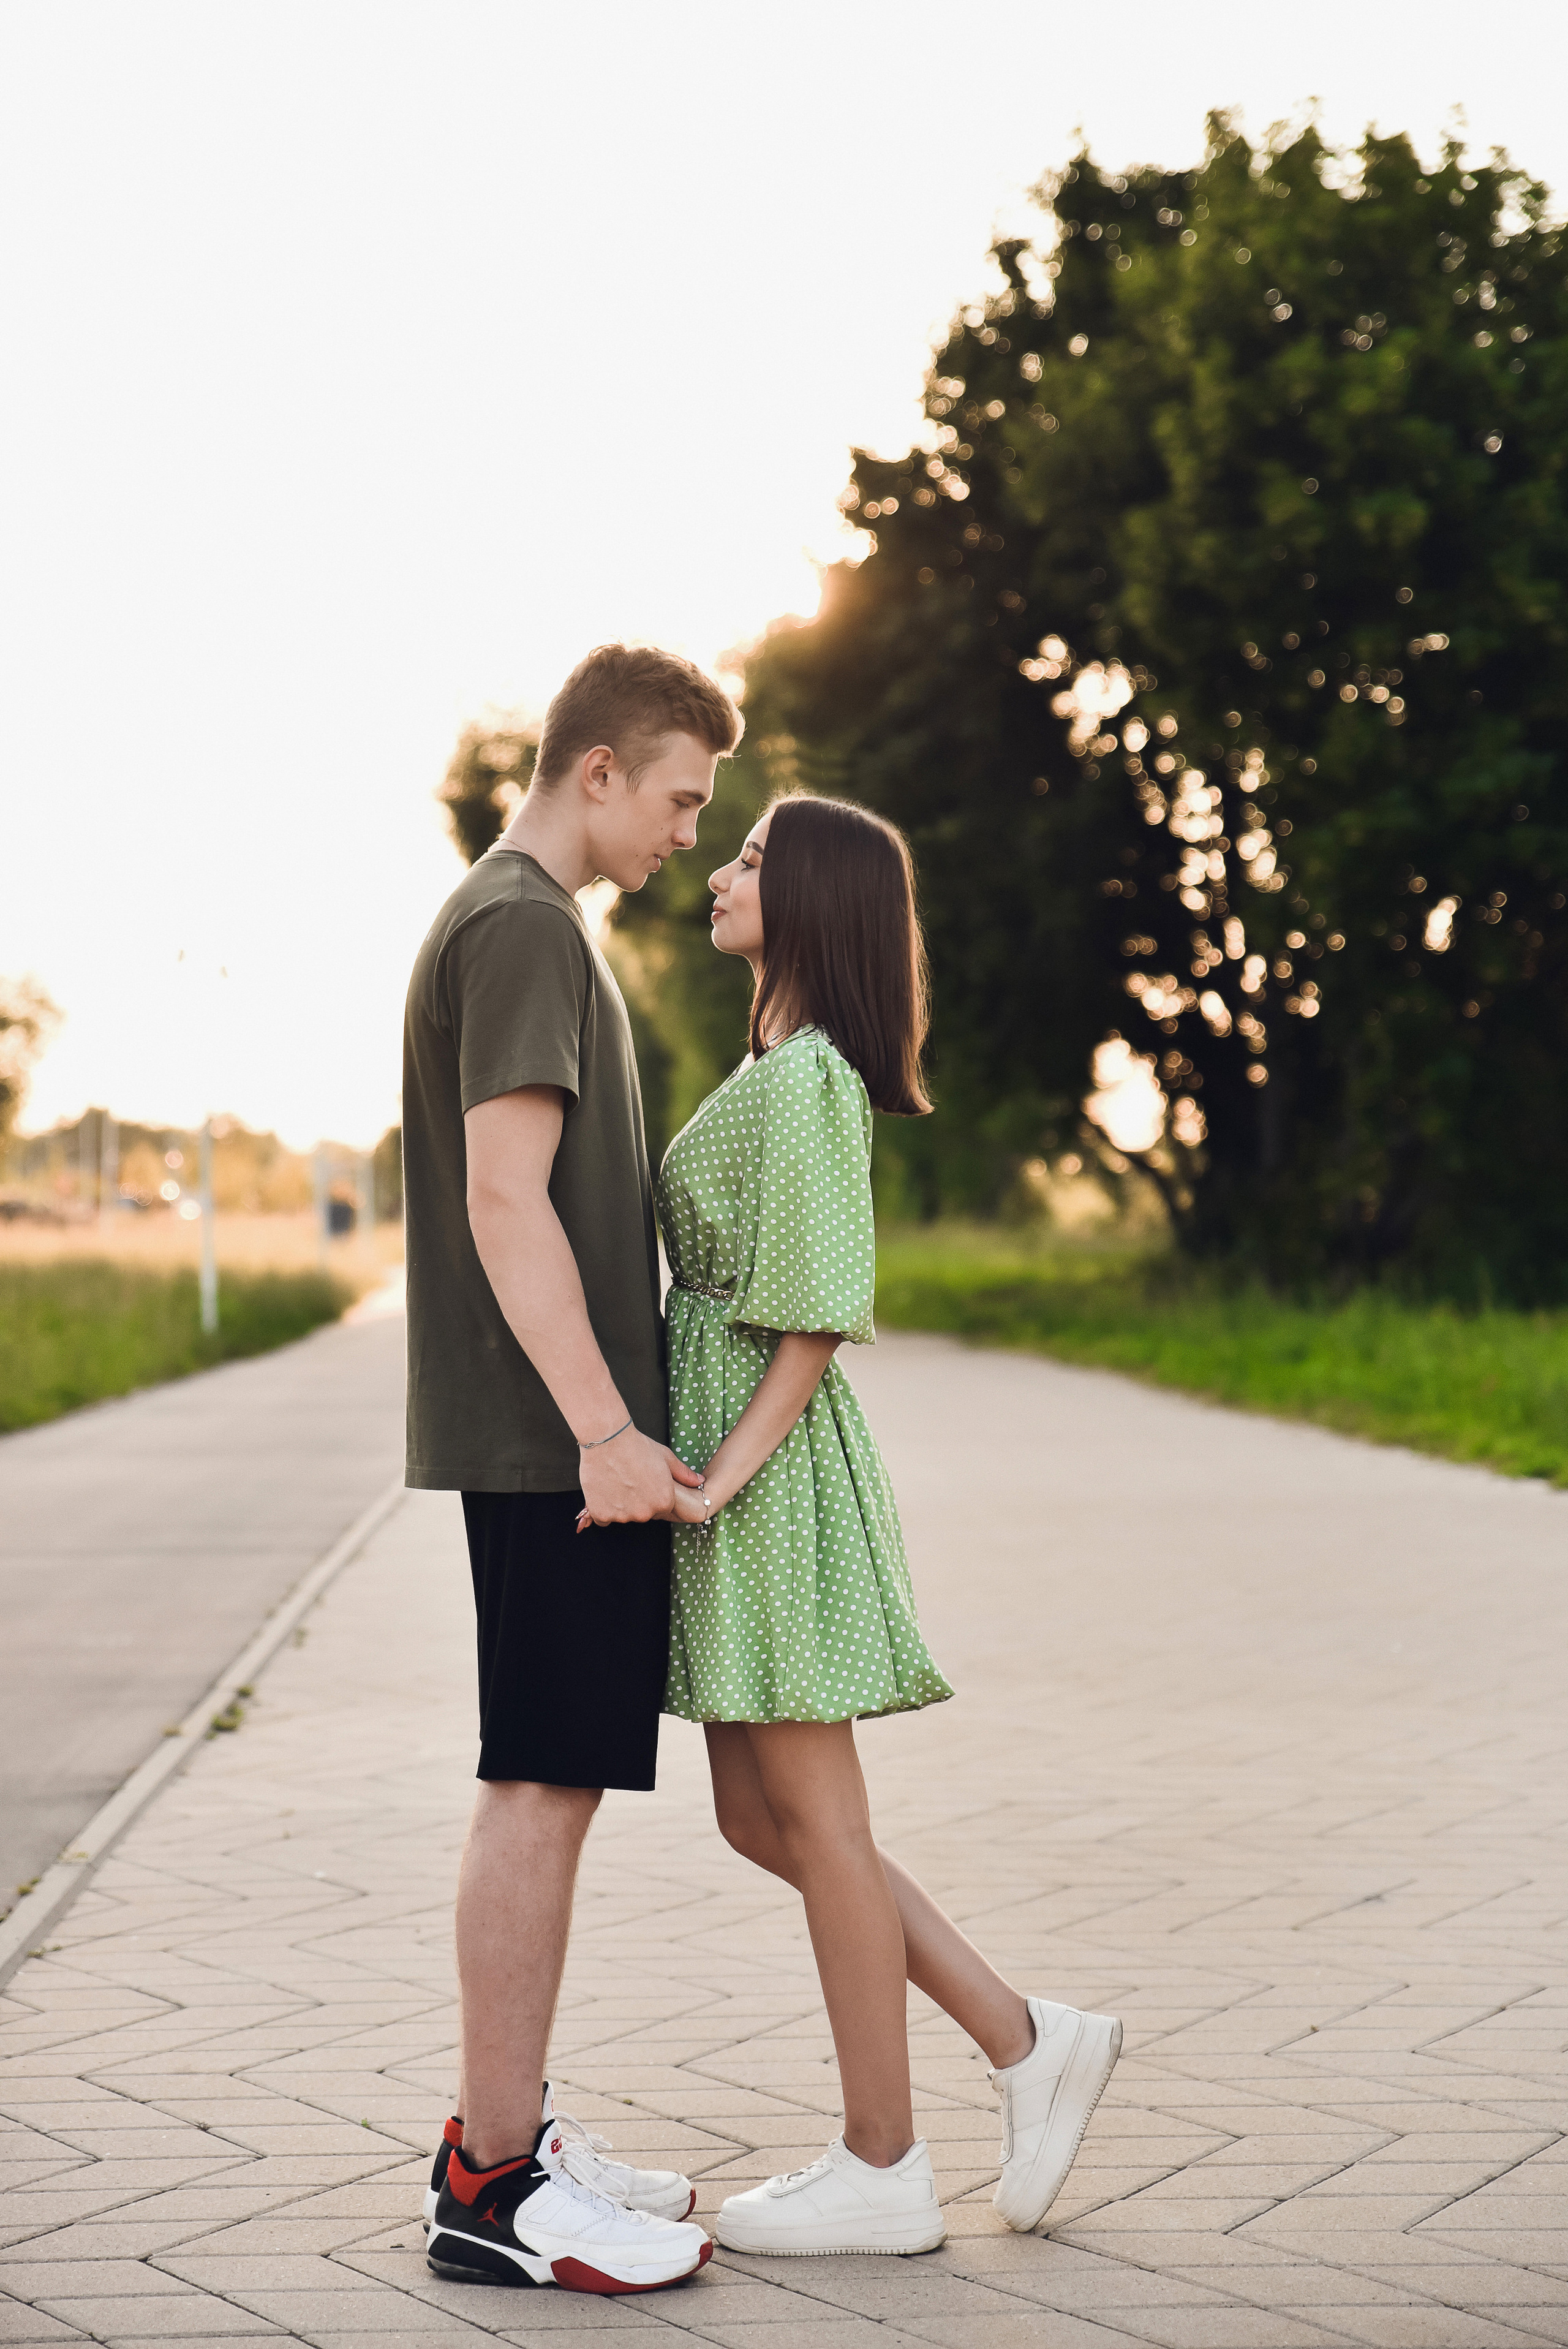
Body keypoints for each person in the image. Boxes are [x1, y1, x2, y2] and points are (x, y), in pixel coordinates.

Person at [647, 792, 1123, 2256]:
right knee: (760, 1817)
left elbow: (810, 1315)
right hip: (739, 1470)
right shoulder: (781, 1065)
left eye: (748, 860)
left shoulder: (809, 1083)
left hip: (765, 1476)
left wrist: (718, 1475)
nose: (718, 872)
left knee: (818, 1824)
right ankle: (1023, 2036)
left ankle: (883, 2161)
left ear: (816, 901)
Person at [402, 643, 742, 2294]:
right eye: (681, 797)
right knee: (540, 1779)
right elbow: (502, 1196)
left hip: (558, 1438)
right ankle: (493, 2182)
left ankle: (513, 2135)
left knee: (550, 1774)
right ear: (597, 770)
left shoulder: (522, 918)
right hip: (562, 1443)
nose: (690, 832)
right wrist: (608, 1429)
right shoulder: (529, 923)